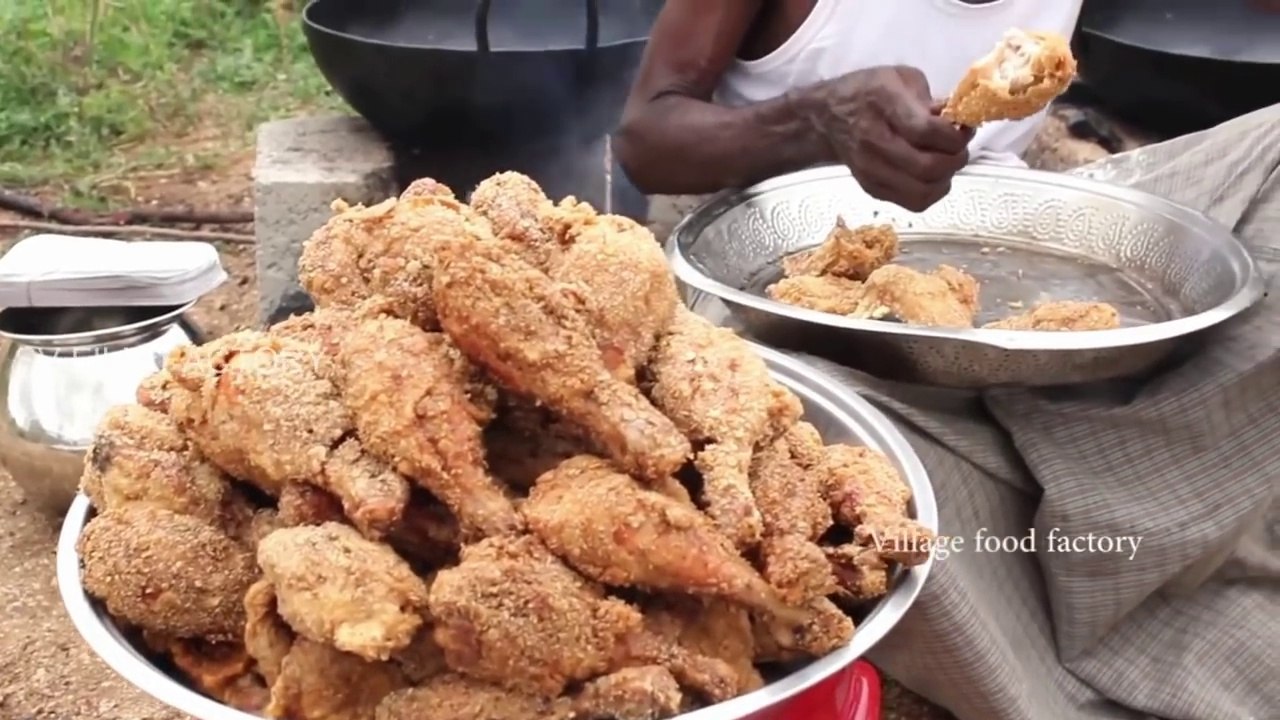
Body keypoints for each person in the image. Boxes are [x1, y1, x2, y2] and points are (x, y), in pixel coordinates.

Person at [614, 2, 1280, 720]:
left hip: (1011, 237)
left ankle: (1113, 499)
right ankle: (1056, 506)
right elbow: (646, 140)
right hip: (773, 300)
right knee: (858, 495)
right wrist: (814, 120)